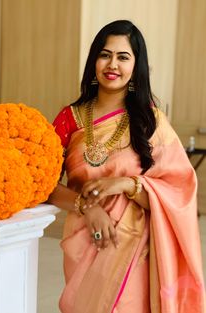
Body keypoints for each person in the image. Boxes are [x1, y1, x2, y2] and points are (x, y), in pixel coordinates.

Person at [48, 20, 205, 313]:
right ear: (94, 59)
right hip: (84, 241)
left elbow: (179, 193)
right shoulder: (69, 119)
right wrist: (87, 207)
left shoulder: (151, 121)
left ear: (136, 66)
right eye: (105, 54)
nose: (112, 64)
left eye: (123, 57)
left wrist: (126, 184)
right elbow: (43, 184)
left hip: (135, 248)